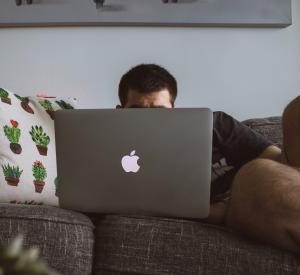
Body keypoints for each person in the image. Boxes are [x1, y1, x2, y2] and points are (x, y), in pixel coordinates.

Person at [117, 64, 300, 253]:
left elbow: (275, 159)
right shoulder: (113, 150)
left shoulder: (215, 124)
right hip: (243, 207)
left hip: (251, 193)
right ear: (119, 112)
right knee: (253, 176)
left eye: (160, 112)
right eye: (137, 112)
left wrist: (225, 203)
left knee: (295, 113)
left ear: (174, 109)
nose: (150, 123)